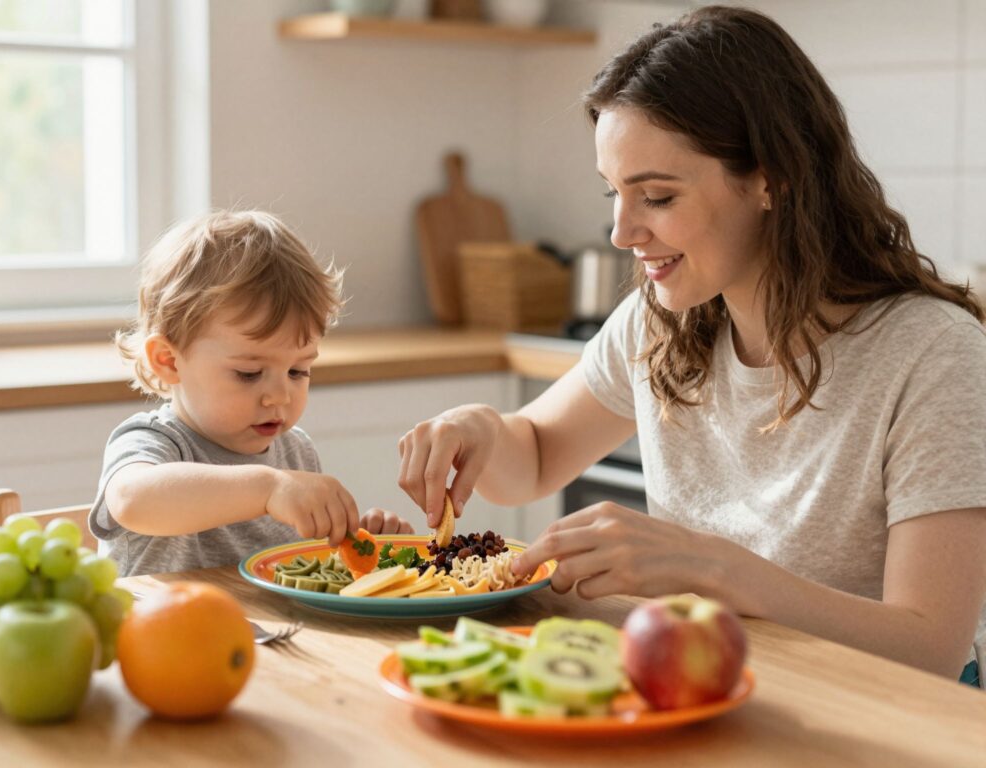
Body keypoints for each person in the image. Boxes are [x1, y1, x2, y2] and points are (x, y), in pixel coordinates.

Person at [396, 6, 986, 687]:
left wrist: (713, 569)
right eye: (615, 193)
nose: (622, 232)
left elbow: (931, 648)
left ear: (771, 178)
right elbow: (531, 457)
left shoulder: (934, 355)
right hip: (718, 691)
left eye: (656, 196)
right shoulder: (662, 321)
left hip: (890, 722)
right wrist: (480, 431)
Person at [91, 210, 412, 577]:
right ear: (168, 361)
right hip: (160, 632)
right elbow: (132, 501)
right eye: (249, 373)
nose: (279, 396)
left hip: (267, 634)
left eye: (298, 371)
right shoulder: (153, 442)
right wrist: (267, 488)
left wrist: (355, 545)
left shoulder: (295, 453)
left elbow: (302, 571)